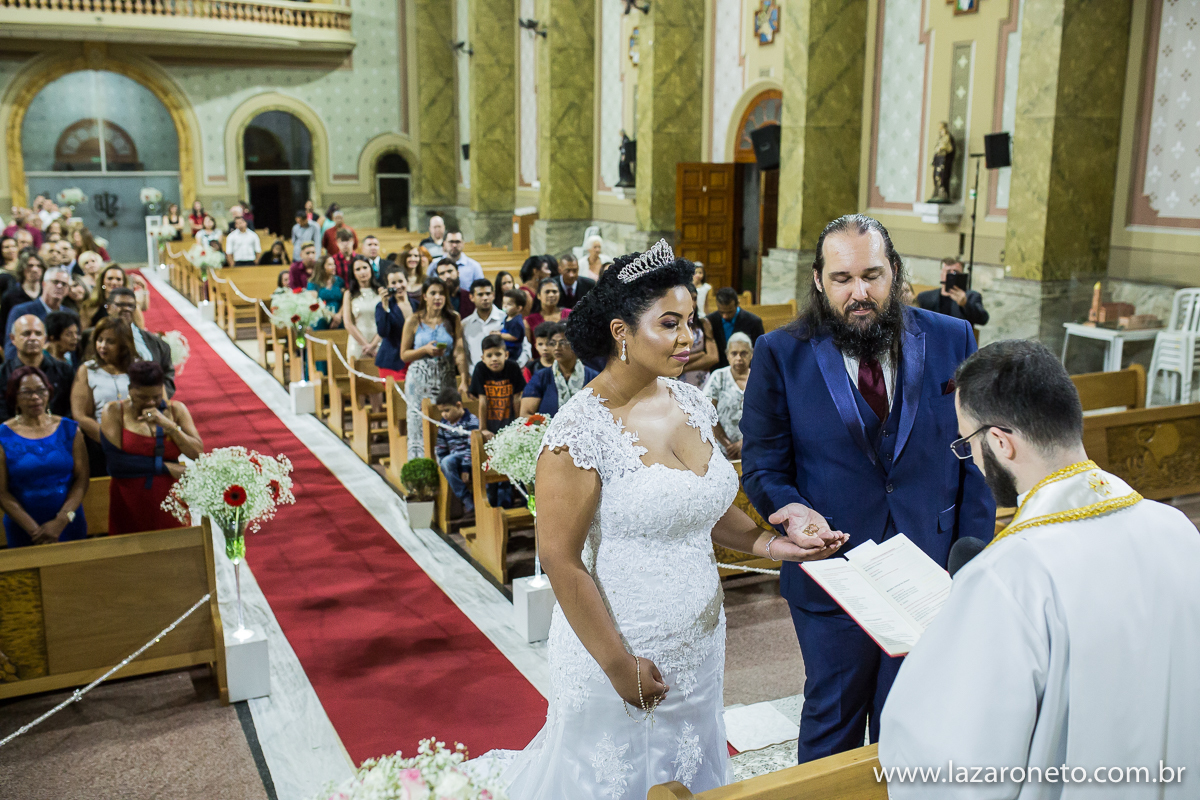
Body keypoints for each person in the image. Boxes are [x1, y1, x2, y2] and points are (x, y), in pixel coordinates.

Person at [493, 240, 817, 800]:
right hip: (620, 647)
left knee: (689, 776)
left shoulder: (690, 402)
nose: (688, 339)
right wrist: (619, 665)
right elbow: (561, 561)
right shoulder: (579, 433)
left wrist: (769, 544)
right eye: (669, 324)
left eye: (690, 322)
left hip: (701, 645)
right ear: (621, 331)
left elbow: (702, 509)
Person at [879, 339, 1200, 796]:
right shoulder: (1178, 531)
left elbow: (954, 767)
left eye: (967, 442)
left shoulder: (1011, 576)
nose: (970, 458)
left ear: (1000, 443)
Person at [739, 214, 995, 764]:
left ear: (895, 272)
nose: (860, 293)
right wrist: (792, 510)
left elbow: (977, 458)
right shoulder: (780, 354)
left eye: (873, 275)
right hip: (832, 573)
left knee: (910, 726)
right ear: (818, 280)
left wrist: (967, 566)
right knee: (831, 721)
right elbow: (762, 466)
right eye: (842, 279)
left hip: (930, 572)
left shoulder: (953, 337)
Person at [102, 360, 203, 536]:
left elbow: (197, 453)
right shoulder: (114, 412)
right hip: (128, 498)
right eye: (142, 397)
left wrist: (171, 427)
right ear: (130, 390)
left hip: (170, 498)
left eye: (156, 397)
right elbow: (116, 464)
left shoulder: (176, 410)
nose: (150, 403)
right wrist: (166, 467)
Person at [0, 366, 88, 547]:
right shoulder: (3, 435)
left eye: (41, 390)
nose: (35, 397)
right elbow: (1, 493)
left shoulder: (69, 429)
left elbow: (82, 480)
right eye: (26, 392)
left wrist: (61, 521)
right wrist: (34, 531)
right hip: (24, 527)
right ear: (14, 396)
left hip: (68, 521)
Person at [399, 277, 461, 459]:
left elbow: (460, 351)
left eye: (442, 293)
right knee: (419, 424)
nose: (438, 297)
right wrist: (424, 350)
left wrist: (464, 378)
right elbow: (404, 355)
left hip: (446, 376)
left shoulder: (453, 318)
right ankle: (421, 468)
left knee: (448, 423)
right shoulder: (413, 320)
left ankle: (447, 467)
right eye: (433, 293)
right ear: (424, 296)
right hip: (419, 378)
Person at [71, 317, 135, 477]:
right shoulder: (87, 370)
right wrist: (111, 440)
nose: (102, 346)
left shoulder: (137, 367)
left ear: (123, 344)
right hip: (100, 445)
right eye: (100, 340)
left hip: (137, 441)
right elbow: (80, 415)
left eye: (110, 341)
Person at [103, 288, 176, 397]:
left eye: (131, 305)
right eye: (120, 305)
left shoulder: (157, 344)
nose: (126, 309)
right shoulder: (93, 339)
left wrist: (157, 397)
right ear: (108, 308)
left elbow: (167, 377)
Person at [0, 315, 75, 419]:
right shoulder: (2, 373)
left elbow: (71, 410)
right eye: (26, 333)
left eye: (38, 334)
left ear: (45, 339)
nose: (33, 338)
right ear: (13, 338)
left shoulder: (65, 371)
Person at [519, 323, 597, 416]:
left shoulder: (594, 377)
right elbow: (525, 414)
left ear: (576, 345)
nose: (556, 348)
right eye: (552, 343)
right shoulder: (541, 377)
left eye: (563, 343)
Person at [433, 387, 484, 517]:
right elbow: (441, 446)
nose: (444, 415)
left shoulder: (471, 421)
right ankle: (466, 499)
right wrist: (442, 461)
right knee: (445, 463)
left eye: (447, 410)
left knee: (448, 462)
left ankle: (471, 501)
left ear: (458, 405)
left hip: (470, 457)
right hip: (453, 458)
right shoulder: (444, 424)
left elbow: (471, 447)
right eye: (442, 412)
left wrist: (466, 469)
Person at [702, 332, 752, 459]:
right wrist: (728, 445)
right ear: (727, 355)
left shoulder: (760, 378)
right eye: (734, 353)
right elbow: (708, 412)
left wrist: (743, 443)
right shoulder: (718, 377)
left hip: (754, 447)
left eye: (744, 353)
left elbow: (766, 415)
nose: (739, 358)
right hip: (722, 450)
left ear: (751, 354)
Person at [6, 265, 70, 361]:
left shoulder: (70, 314)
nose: (60, 286)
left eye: (64, 284)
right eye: (55, 282)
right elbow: (11, 350)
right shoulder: (21, 311)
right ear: (44, 284)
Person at [469, 334, 526, 432]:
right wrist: (483, 429)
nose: (494, 358)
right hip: (490, 426)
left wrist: (519, 424)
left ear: (506, 355)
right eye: (489, 355)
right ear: (483, 358)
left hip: (511, 425)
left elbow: (517, 398)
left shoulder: (513, 367)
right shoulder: (480, 369)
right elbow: (482, 400)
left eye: (498, 354)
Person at [916, 256, 989, 327]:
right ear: (941, 274)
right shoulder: (925, 297)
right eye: (948, 272)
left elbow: (983, 319)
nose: (951, 275)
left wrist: (965, 304)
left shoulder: (971, 296)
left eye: (955, 272)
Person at [706, 287, 765, 370]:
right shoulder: (710, 321)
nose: (725, 316)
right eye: (721, 312)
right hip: (718, 370)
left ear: (737, 304)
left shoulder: (754, 322)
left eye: (730, 311)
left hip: (745, 370)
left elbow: (760, 351)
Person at [374, 266, 415, 381]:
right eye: (393, 283)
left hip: (414, 360)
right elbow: (383, 332)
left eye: (401, 281)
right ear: (387, 287)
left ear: (407, 281)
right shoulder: (382, 307)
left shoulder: (417, 305)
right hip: (392, 362)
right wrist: (385, 308)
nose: (398, 286)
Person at [461, 278, 507, 375]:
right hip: (477, 377)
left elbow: (524, 346)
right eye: (480, 294)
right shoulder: (465, 325)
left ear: (493, 295)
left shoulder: (506, 319)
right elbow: (465, 354)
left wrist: (514, 366)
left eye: (488, 294)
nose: (485, 298)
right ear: (471, 297)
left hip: (506, 375)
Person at [343, 256, 382, 358]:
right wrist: (365, 345)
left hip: (378, 342)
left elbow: (386, 322)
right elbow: (348, 323)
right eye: (358, 269)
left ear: (371, 269)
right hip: (357, 343)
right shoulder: (349, 294)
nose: (362, 272)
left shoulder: (380, 292)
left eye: (365, 267)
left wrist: (373, 345)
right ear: (353, 273)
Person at [680, 283, 718, 387]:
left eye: (695, 299)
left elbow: (713, 357)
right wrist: (700, 355)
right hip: (679, 380)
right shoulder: (673, 324)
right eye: (689, 298)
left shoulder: (704, 323)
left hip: (701, 379)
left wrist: (684, 368)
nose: (692, 303)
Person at [524, 278, 570, 362]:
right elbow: (528, 349)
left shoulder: (570, 314)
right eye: (547, 292)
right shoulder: (529, 321)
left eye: (554, 291)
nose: (551, 295)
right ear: (538, 295)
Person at [1, 250, 44, 331]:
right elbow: (3, 326)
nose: (35, 269)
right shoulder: (10, 296)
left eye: (39, 266)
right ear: (22, 268)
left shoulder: (46, 294)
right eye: (30, 266)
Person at [308, 255, 345, 330]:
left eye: (334, 264)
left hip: (339, 319)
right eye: (330, 264)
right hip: (321, 319)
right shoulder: (313, 283)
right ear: (322, 267)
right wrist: (332, 316)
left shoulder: (339, 281)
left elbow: (345, 300)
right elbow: (314, 303)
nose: (334, 267)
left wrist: (338, 316)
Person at [499, 289, 526, 362]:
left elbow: (514, 336)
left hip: (514, 351)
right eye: (504, 303)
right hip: (506, 348)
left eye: (509, 304)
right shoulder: (506, 317)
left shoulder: (517, 321)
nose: (505, 306)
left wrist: (499, 335)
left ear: (519, 308)